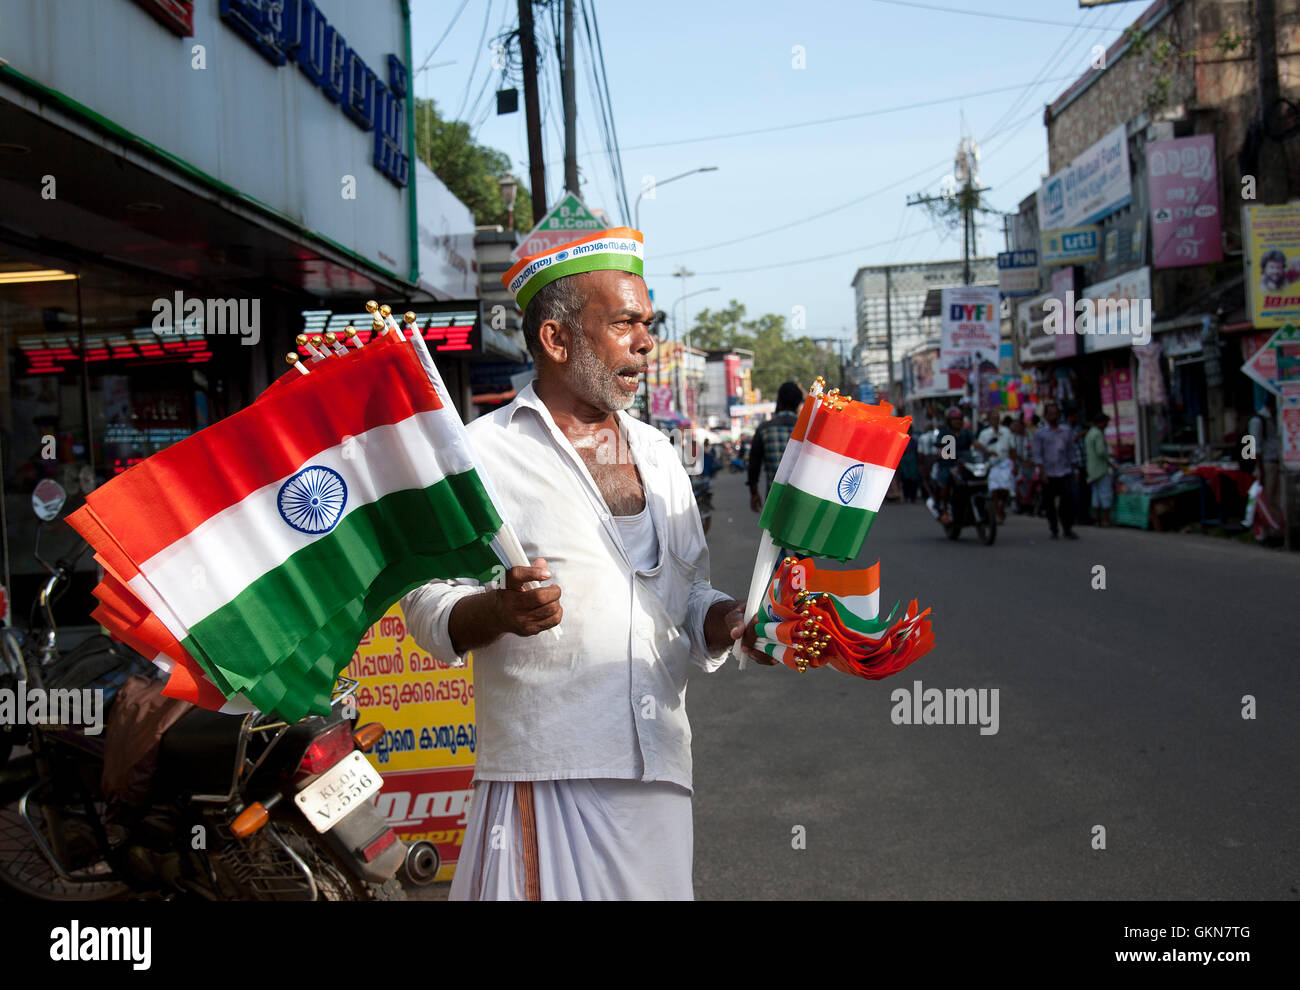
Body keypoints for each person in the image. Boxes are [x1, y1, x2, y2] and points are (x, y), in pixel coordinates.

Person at [401, 229, 770, 901]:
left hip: (658, 771)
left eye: (647, 325)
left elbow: (688, 596)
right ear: (556, 339)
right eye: (625, 323)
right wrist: (500, 611)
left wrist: (730, 621)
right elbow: (425, 604)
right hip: (547, 772)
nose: (646, 342)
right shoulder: (482, 456)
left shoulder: (659, 455)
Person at [747, 380, 804, 512]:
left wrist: (754, 493)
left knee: (771, 533)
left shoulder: (764, 429)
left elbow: (754, 465)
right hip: (802, 503)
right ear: (799, 404)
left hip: (774, 502)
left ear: (779, 400)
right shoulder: (808, 430)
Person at [1030, 399, 1080, 539]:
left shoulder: (1066, 430)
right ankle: (1054, 528)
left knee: (1067, 501)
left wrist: (1075, 470)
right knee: (1049, 503)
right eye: (1051, 414)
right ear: (1045, 416)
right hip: (1048, 472)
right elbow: (1038, 454)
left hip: (1064, 471)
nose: (1054, 416)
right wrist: (1042, 472)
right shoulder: (1040, 433)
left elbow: (1071, 452)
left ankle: (1067, 528)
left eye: (1056, 413)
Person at [929, 405, 973, 525]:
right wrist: (944, 454)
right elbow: (940, 450)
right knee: (946, 481)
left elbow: (976, 444)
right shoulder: (944, 433)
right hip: (947, 465)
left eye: (959, 419)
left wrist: (988, 451)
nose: (957, 422)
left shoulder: (966, 433)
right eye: (954, 419)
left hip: (964, 465)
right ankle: (944, 511)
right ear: (949, 421)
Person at [983, 414, 1016, 523]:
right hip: (992, 465)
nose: (995, 421)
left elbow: (1012, 448)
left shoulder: (1006, 432)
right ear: (989, 420)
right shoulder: (985, 433)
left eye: (997, 419)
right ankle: (997, 510)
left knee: (1005, 488)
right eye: (993, 419)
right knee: (994, 489)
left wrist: (1013, 464)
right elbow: (979, 448)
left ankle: (1001, 506)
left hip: (1005, 464)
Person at [1085, 412, 1116, 526]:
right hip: (1101, 468)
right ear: (1102, 422)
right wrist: (1109, 460)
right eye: (1106, 423)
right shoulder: (1098, 434)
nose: (1107, 425)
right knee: (1105, 493)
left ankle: (1098, 519)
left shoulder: (1090, 433)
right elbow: (1101, 451)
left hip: (1092, 469)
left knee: (1096, 494)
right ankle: (1106, 519)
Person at [1065, 406, 1092, 525]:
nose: (1077, 418)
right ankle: (1076, 517)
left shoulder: (1078, 428)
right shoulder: (1065, 430)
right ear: (1069, 418)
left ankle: (1084, 516)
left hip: (1083, 465)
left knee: (1084, 492)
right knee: (1075, 493)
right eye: (1075, 417)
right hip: (1073, 467)